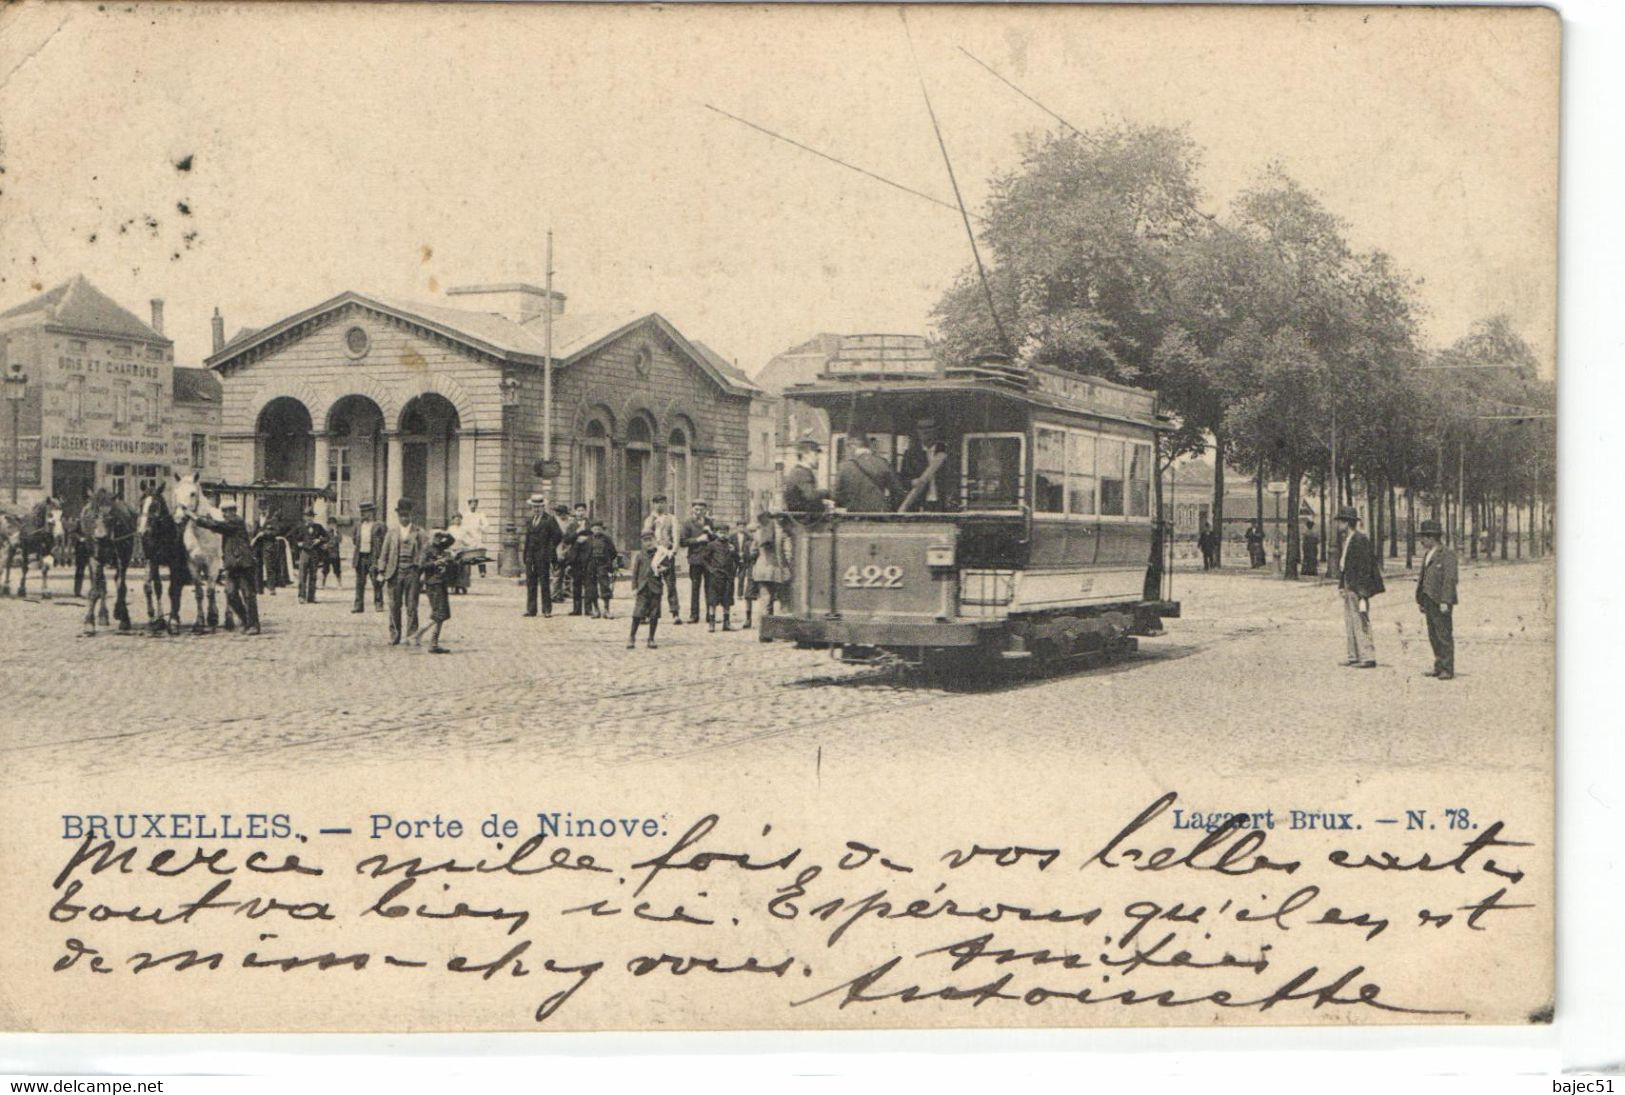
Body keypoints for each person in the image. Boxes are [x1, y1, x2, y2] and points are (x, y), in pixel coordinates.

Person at [193, 497, 261, 636]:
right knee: (230, 594)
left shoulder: (236, 521)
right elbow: (218, 524)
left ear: (233, 511)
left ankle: (254, 624)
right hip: (231, 564)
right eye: (223, 511)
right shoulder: (229, 522)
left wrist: (196, 518)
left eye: (226, 511)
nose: (224, 514)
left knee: (248, 594)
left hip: (243, 564)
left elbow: (217, 526)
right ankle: (245, 620)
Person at [1334, 505, 1384, 668]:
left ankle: (1368, 656)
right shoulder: (1347, 540)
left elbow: (1365, 567)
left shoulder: (1360, 540)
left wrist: (1363, 592)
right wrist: (1342, 585)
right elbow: (1345, 565)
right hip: (1349, 585)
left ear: (1347, 523)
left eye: (1340, 521)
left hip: (1359, 587)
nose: (1338, 525)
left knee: (1361, 620)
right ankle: (1353, 655)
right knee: (1350, 620)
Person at [377, 498, 427, 646]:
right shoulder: (391, 533)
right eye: (401, 515)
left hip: (412, 572)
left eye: (407, 515)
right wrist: (381, 571)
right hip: (395, 572)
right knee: (394, 605)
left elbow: (425, 552)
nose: (404, 518)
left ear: (411, 515)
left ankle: (411, 635)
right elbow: (384, 553)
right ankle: (395, 635)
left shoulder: (419, 532)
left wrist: (422, 570)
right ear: (398, 516)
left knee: (412, 605)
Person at [1415, 518, 1458, 680]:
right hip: (1428, 599)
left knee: (1444, 634)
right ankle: (1439, 665)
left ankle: (1447, 668)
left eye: (1423, 537)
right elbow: (1424, 577)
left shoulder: (1447, 554)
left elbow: (1450, 579)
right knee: (1433, 634)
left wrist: (1446, 601)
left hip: (1440, 601)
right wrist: (1421, 600)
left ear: (1431, 537)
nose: (1421, 541)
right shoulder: (1428, 554)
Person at [834, 431, 903, 512]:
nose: (847, 451)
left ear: (853, 446)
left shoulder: (845, 466)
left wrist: (851, 502)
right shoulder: (883, 463)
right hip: (880, 516)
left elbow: (836, 495)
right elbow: (897, 491)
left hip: (854, 516)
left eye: (848, 447)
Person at [642, 493, 682, 623]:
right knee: (652, 584)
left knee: (670, 584)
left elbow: (676, 535)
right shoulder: (649, 519)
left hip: (667, 553)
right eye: (657, 502)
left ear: (666, 504)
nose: (660, 505)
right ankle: (651, 613)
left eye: (662, 502)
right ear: (653, 504)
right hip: (654, 554)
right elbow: (646, 537)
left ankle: (675, 613)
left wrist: (674, 550)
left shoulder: (672, 518)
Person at [416, 530, 456, 653]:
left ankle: (433, 643)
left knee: (442, 614)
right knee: (439, 613)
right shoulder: (427, 549)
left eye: (440, 537)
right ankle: (418, 634)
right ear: (431, 537)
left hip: (441, 582)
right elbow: (421, 566)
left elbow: (451, 540)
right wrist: (435, 563)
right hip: (433, 584)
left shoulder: (440, 547)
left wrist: (445, 533)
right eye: (436, 536)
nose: (439, 539)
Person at [522, 494, 561, 618]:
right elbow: (527, 539)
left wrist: (549, 549)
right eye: (534, 507)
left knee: (544, 583)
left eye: (539, 507)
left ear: (543, 507)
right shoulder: (530, 520)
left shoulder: (549, 520)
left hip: (543, 556)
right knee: (531, 583)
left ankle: (547, 610)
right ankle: (531, 609)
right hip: (531, 557)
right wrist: (526, 555)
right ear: (531, 508)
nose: (536, 509)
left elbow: (558, 535)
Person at [626, 529, 664, 650]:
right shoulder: (640, 556)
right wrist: (634, 587)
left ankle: (651, 638)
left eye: (650, 540)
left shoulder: (660, 554)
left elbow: (668, 569)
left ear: (654, 540)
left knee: (654, 615)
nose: (648, 543)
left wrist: (665, 569)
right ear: (642, 542)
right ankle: (632, 637)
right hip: (642, 589)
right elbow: (635, 573)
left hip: (655, 588)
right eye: (645, 540)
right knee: (637, 614)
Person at [680, 499, 714, 624]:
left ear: (705, 510)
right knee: (695, 588)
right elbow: (683, 542)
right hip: (695, 559)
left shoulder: (710, 522)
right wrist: (698, 540)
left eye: (701, 510)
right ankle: (694, 615)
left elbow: (715, 538)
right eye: (696, 509)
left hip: (709, 559)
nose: (699, 512)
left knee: (710, 588)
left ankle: (710, 615)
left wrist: (712, 534)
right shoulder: (687, 523)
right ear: (692, 510)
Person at [702, 521, 739, 631]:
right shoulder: (711, 545)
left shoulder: (730, 545)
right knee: (713, 600)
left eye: (725, 532)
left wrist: (734, 552)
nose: (723, 534)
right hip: (715, 576)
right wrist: (711, 570)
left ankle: (726, 623)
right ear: (716, 533)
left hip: (728, 576)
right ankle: (712, 623)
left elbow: (737, 560)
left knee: (727, 600)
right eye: (720, 532)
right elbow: (704, 559)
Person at [783, 434, 830, 515]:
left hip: (800, 521)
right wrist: (826, 493)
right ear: (805, 454)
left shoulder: (800, 471)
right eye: (815, 454)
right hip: (802, 522)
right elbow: (810, 496)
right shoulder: (801, 473)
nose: (818, 458)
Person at [350, 501, 383, 613]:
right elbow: (355, 540)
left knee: (376, 581)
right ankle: (358, 605)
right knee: (360, 582)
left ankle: (378, 603)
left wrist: (379, 558)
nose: (363, 514)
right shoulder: (359, 526)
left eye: (366, 512)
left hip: (373, 557)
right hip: (361, 557)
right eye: (362, 512)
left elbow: (383, 542)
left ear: (371, 512)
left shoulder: (379, 526)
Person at [583, 519, 619, 618]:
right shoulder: (588, 540)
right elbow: (584, 553)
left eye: (599, 528)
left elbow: (613, 552)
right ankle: (596, 610)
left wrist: (609, 563)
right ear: (591, 529)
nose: (597, 530)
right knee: (591, 587)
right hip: (591, 565)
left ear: (602, 529)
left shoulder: (607, 539)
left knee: (605, 586)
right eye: (595, 528)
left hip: (603, 565)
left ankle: (606, 610)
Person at [296, 506, 329, 603]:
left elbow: (327, 537)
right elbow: (295, 539)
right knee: (302, 575)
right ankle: (301, 596)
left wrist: (319, 540)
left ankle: (311, 597)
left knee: (313, 575)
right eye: (307, 516)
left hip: (315, 552)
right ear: (304, 517)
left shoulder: (318, 527)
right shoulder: (301, 527)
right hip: (304, 553)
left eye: (311, 516)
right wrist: (299, 544)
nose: (309, 518)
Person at [565, 520, 595, 616]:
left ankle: (588, 609)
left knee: (588, 584)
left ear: (585, 511)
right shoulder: (572, 526)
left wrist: (586, 539)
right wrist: (577, 533)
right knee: (576, 584)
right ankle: (576, 609)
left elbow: (596, 537)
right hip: (576, 559)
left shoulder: (590, 524)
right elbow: (567, 540)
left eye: (582, 510)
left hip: (588, 558)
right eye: (578, 510)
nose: (580, 512)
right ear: (575, 512)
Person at [735, 520, 760, 629]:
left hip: (762, 571)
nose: (753, 534)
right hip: (752, 572)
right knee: (748, 596)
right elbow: (745, 559)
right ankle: (748, 619)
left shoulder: (764, 542)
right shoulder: (747, 544)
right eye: (751, 532)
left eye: (755, 531)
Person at [462, 498, 489, 578]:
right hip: (468, 537)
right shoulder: (465, 515)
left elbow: (486, 524)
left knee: (480, 554)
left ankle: (482, 572)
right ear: (469, 504)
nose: (474, 505)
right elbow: (463, 525)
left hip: (477, 537)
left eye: (475, 504)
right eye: (472, 504)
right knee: (468, 554)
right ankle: (467, 572)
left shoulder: (480, 514)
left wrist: (480, 527)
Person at [321, 517, 342, 589]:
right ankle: (323, 584)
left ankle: (339, 583)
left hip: (335, 554)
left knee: (337, 570)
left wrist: (328, 545)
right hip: (326, 554)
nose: (332, 526)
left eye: (333, 524)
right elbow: (323, 540)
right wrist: (325, 545)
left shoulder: (337, 533)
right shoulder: (325, 532)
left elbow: (338, 540)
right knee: (325, 570)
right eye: (330, 524)